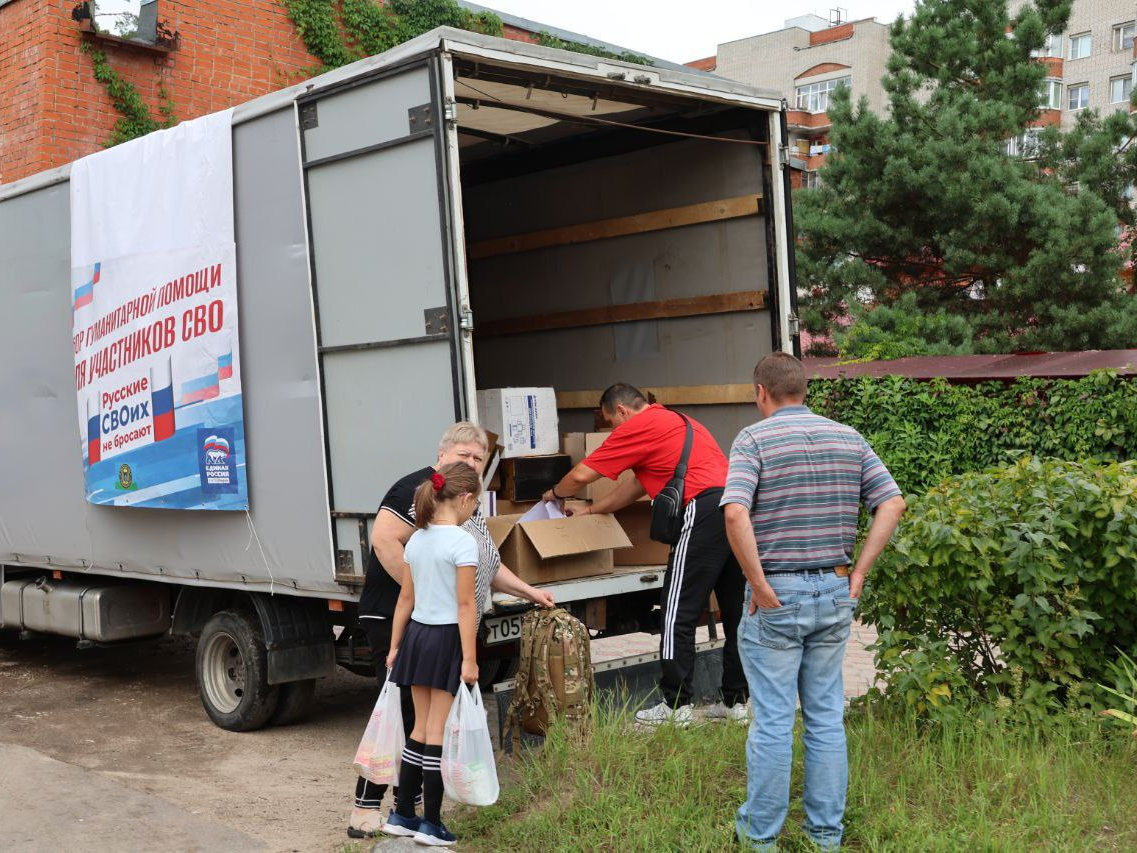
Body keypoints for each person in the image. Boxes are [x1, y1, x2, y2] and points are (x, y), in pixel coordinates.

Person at [721, 353, 906, 851]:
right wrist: (860, 571)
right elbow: (893, 502)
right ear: (805, 390)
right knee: (826, 717)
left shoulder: (753, 439)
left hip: (777, 595)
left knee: (775, 721)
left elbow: (736, 512)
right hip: (833, 590)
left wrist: (758, 586)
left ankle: (760, 836)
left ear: (762, 392)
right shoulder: (849, 438)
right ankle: (825, 834)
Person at [348, 422, 553, 838]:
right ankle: (370, 808)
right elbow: (385, 541)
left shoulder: (467, 511)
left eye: (479, 458)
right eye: (464, 455)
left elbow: (489, 568)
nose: (472, 462)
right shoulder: (419, 490)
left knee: (417, 723)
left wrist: (530, 592)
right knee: (405, 717)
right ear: (441, 456)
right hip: (408, 620)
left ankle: (407, 808)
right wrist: (429, 601)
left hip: (433, 622)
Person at [541, 383, 748, 725]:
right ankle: (736, 702)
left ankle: (675, 706)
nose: (611, 432)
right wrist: (593, 511)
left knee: (676, 612)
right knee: (735, 611)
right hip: (733, 510)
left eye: (609, 423)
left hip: (701, 512)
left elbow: (579, 475)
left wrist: (553, 494)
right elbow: (636, 486)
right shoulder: (679, 422)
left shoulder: (637, 426)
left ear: (621, 411)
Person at [381, 462, 485, 847]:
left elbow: (404, 600)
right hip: (444, 641)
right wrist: (470, 660)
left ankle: (403, 814)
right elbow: (464, 607)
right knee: (436, 732)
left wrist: (394, 646)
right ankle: (433, 824)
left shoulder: (418, 539)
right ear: (464, 499)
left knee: (419, 730)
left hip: (415, 638)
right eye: (475, 504)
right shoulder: (462, 542)